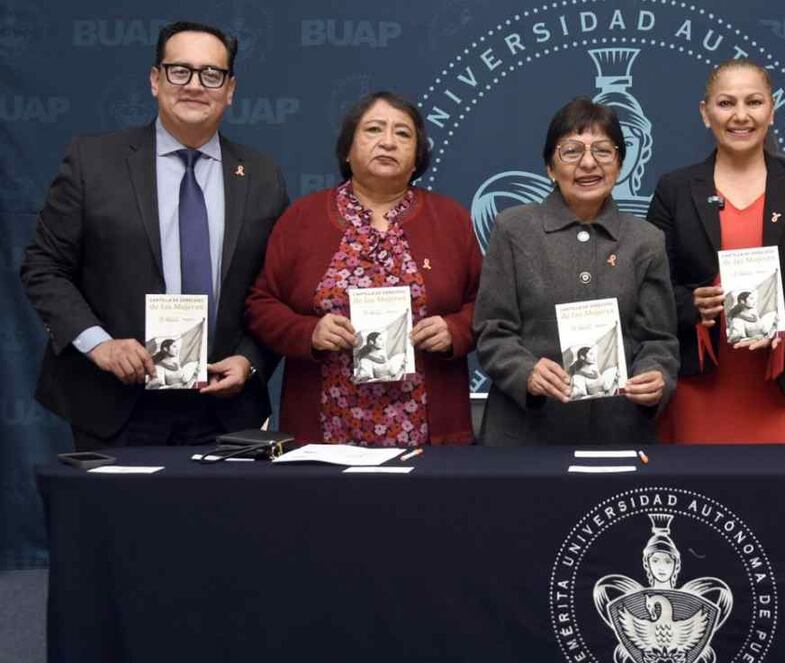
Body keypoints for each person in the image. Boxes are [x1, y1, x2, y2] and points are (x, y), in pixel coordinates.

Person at [21, 21, 288, 450]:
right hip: (113, 402)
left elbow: (275, 287)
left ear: (230, 88)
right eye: (179, 71)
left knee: (220, 521)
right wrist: (99, 345)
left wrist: (250, 360)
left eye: (210, 74)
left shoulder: (262, 176)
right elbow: (44, 267)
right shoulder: (93, 162)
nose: (194, 85)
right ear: (154, 80)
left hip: (223, 407)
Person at [246, 91, 481, 446]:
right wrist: (308, 332)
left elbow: (489, 305)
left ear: (417, 157)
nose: (388, 142)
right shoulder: (302, 219)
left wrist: (455, 330)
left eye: (403, 134)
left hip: (428, 438)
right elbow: (260, 305)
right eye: (373, 130)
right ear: (347, 150)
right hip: (325, 432)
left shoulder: (450, 220)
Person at [646, 59, 785, 444]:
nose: (740, 116)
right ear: (705, 113)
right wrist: (691, 304)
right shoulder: (675, 188)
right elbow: (652, 284)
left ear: (771, 111)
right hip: (701, 386)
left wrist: (780, 315)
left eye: (753, 102)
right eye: (725, 103)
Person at [473, 97, 679, 446]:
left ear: (619, 164)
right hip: (525, 434)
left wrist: (655, 375)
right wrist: (526, 372)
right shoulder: (514, 229)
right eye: (571, 151)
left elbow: (659, 340)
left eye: (603, 150)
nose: (588, 163)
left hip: (618, 432)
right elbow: (492, 333)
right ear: (550, 168)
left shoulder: (646, 240)